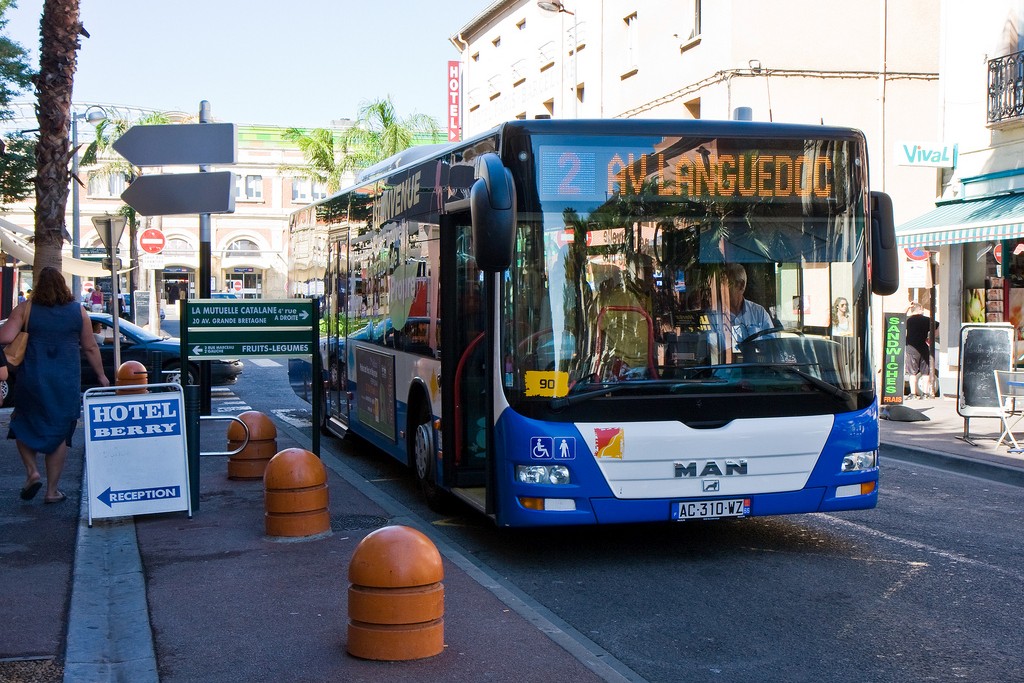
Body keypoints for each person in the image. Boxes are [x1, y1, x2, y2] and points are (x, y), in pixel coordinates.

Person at [0, 267, 109, 503]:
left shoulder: (26, 308)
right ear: (63, 285)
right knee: (60, 432)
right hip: (65, 381)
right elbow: (90, 347)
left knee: (22, 423)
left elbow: (5, 337)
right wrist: (101, 376)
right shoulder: (78, 311)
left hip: (33, 377)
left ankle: (32, 471)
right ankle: (52, 491)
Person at [709, 263, 775, 354]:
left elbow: (772, 347)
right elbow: (712, 350)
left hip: (755, 362)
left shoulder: (759, 313)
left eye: (726, 285)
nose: (721, 290)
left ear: (741, 285)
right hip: (726, 363)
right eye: (719, 285)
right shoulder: (713, 315)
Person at [905, 302, 938, 399]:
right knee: (925, 372)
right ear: (920, 309)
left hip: (911, 349)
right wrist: (931, 337)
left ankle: (913, 394)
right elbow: (938, 326)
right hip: (923, 347)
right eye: (922, 309)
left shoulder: (908, 320)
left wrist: (907, 307)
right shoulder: (927, 320)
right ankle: (925, 393)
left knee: (912, 373)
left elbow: (899, 317)